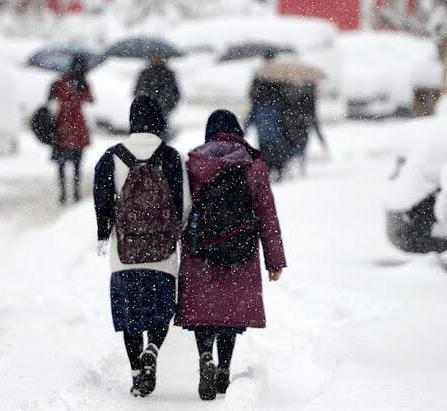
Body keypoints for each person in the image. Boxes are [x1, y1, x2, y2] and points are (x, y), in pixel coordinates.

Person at [176, 110, 286, 400]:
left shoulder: (195, 163)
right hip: (242, 250)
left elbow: (183, 210)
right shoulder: (252, 164)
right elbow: (267, 216)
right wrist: (274, 261)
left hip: (201, 252)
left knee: (204, 312)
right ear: (237, 131)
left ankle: (205, 357)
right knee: (229, 312)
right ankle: (223, 368)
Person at [93, 96, 190, 398]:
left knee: (130, 316)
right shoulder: (172, 157)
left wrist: (104, 232)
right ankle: (152, 349)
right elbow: (184, 205)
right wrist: (176, 233)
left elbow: (102, 202)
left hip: (125, 254)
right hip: (162, 254)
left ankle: (137, 372)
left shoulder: (111, 157)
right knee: (161, 312)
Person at [49, 53, 94, 205]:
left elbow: (50, 99)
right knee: (76, 163)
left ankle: (63, 193)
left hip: (62, 126)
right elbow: (90, 99)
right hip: (76, 127)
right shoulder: (81, 83)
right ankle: (75, 192)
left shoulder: (61, 82)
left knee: (62, 164)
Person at [244, 77, 289, 181]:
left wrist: (246, 127)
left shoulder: (259, 100)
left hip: (263, 132)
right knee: (275, 153)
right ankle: (277, 171)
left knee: (265, 154)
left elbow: (251, 116)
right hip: (275, 132)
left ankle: (269, 172)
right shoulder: (278, 100)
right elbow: (283, 118)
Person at [281, 82, 327, 176]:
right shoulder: (308, 95)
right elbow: (313, 117)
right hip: (301, 126)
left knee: (293, 147)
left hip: (293, 125)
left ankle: (294, 168)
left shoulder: (293, 90)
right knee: (301, 147)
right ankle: (300, 169)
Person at [134, 53, 181, 140]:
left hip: (163, 111)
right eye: (154, 55)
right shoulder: (145, 73)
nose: (156, 58)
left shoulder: (168, 73)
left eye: (159, 55)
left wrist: (169, 106)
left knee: (163, 135)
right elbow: (137, 91)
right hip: (147, 111)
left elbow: (176, 93)